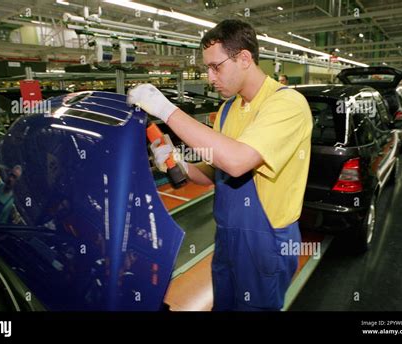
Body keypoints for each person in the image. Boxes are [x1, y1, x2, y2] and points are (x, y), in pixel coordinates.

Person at [127, 19, 312, 311]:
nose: (210, 78)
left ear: (245, 58)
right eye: (207, 69)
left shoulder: (287, 104)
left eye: (216, 67)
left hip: (265, 243)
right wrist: (181, 163)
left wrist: (165, 109)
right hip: (226, 238)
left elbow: (238, 162)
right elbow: (218, 171)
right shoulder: (227, 110)